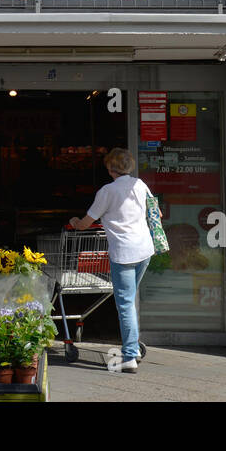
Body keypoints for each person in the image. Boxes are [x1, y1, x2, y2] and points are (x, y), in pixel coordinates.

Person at [67, 147, 154, 372]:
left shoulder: (107, 191)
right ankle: (133, 349)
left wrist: (75, 222)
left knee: (124, 303)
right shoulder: (140, 185)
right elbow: (156, 212)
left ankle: (129, 356)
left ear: (109, 167)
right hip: (144, 249)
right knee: (130, 300)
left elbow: (87, 222)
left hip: (124, 253)